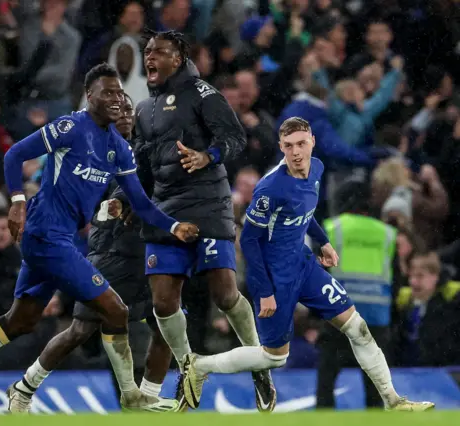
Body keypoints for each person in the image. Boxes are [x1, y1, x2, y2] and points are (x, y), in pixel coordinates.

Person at [0, 64, 199, 414]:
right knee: (116, 310)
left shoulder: (118, 148)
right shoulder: (72, 126)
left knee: (21, 320)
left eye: (120, 94)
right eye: (108, 93)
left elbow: (142, 204)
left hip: (59, 238)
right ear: (90, 95)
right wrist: (17, 201)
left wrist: (174, 227)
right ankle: (131, 395)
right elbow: (15, 154)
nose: (116, 99)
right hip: (45, 232)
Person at [177, 116, 434, 413]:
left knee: (358, 328)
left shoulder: (318, 168)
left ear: (312, 141)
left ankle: (393, 400)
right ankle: (199, 365)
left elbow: (304, 211)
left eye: (301, 143)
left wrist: (323, 241)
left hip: (304, 265)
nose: (296, 152)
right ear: (281, 147)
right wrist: (264, 291)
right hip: (277, 276)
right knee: (275, 357)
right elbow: (249, 241)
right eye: (288, 146)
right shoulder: (270, 189)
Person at [124, 30, 275, 411]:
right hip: (164, 209)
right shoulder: (143, 109)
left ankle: (259, 364)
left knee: (225, 294)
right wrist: (123, 200)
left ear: (178, 58)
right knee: (162, 303)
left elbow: (235, 137)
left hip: (207, 202)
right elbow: (139, 166)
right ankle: (190, 365)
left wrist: (208, 156)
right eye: (147, 52)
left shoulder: (202, 93)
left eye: (159, 52)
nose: (150, 58)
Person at [18, 94, 175, 411]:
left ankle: (146, 398)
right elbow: (104, 200)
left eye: (132, 111)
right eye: (122, 111)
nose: (128, 116)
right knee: (80, 330)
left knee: (169, 323)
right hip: (111, 251)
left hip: (142, 251)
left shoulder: (139, 150)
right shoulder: (95, 148)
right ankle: (25, 387)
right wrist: (115, 206)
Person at [316, 178, 398, 409]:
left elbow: (317, 274)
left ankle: (323, 420)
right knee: (375, 384)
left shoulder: (332, 228)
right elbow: (397, 278)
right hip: (376, 318)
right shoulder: (387, 234)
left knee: (327, 378)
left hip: (340, 315)